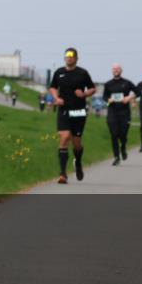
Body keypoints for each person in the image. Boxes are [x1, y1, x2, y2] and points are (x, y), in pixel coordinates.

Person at [48, 48, 96, 184]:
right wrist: (56, 98)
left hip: (79, 111)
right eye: (67, 56)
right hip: (64, 110)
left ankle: (78, 162)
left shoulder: (82, 73)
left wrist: (84, 94)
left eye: (71, 56)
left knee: (76, 143)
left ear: (76, 58)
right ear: (64, 58)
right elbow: (52, 87)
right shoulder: (59, 72)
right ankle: (63, 174)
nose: (69, 58)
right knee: (64, 137)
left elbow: (93, 88)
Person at [102, 64, 135, 166]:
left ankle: (123, 147)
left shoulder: (127, 83)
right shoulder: (108, 84)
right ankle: (116, 156)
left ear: (121, 71)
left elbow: (137, 91)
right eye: (114, 69)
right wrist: (108, 99)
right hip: (112, 112)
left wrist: (129, 98)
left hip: (124, 112)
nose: (116, 70)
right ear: (112, 71)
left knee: (123, 134)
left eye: (118, 69)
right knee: (114, 134)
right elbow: (104, 96)